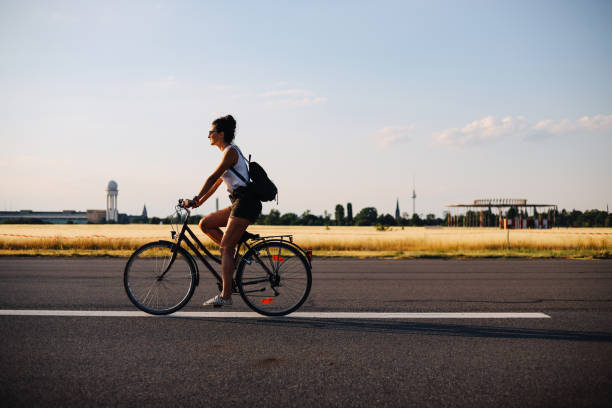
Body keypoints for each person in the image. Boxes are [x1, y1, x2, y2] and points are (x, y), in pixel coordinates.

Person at [182, 115, 261, 307]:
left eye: (211, 131)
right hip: (238, 202)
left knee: (225, 247)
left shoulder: (230, 153)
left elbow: (212, 177)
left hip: (245, 203)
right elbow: (217, 184)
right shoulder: (227, 153)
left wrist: (193, 198)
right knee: (205, 224)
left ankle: (226, 296)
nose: (208, 134)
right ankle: (237, 258)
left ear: (221, 134)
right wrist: (199, 202)